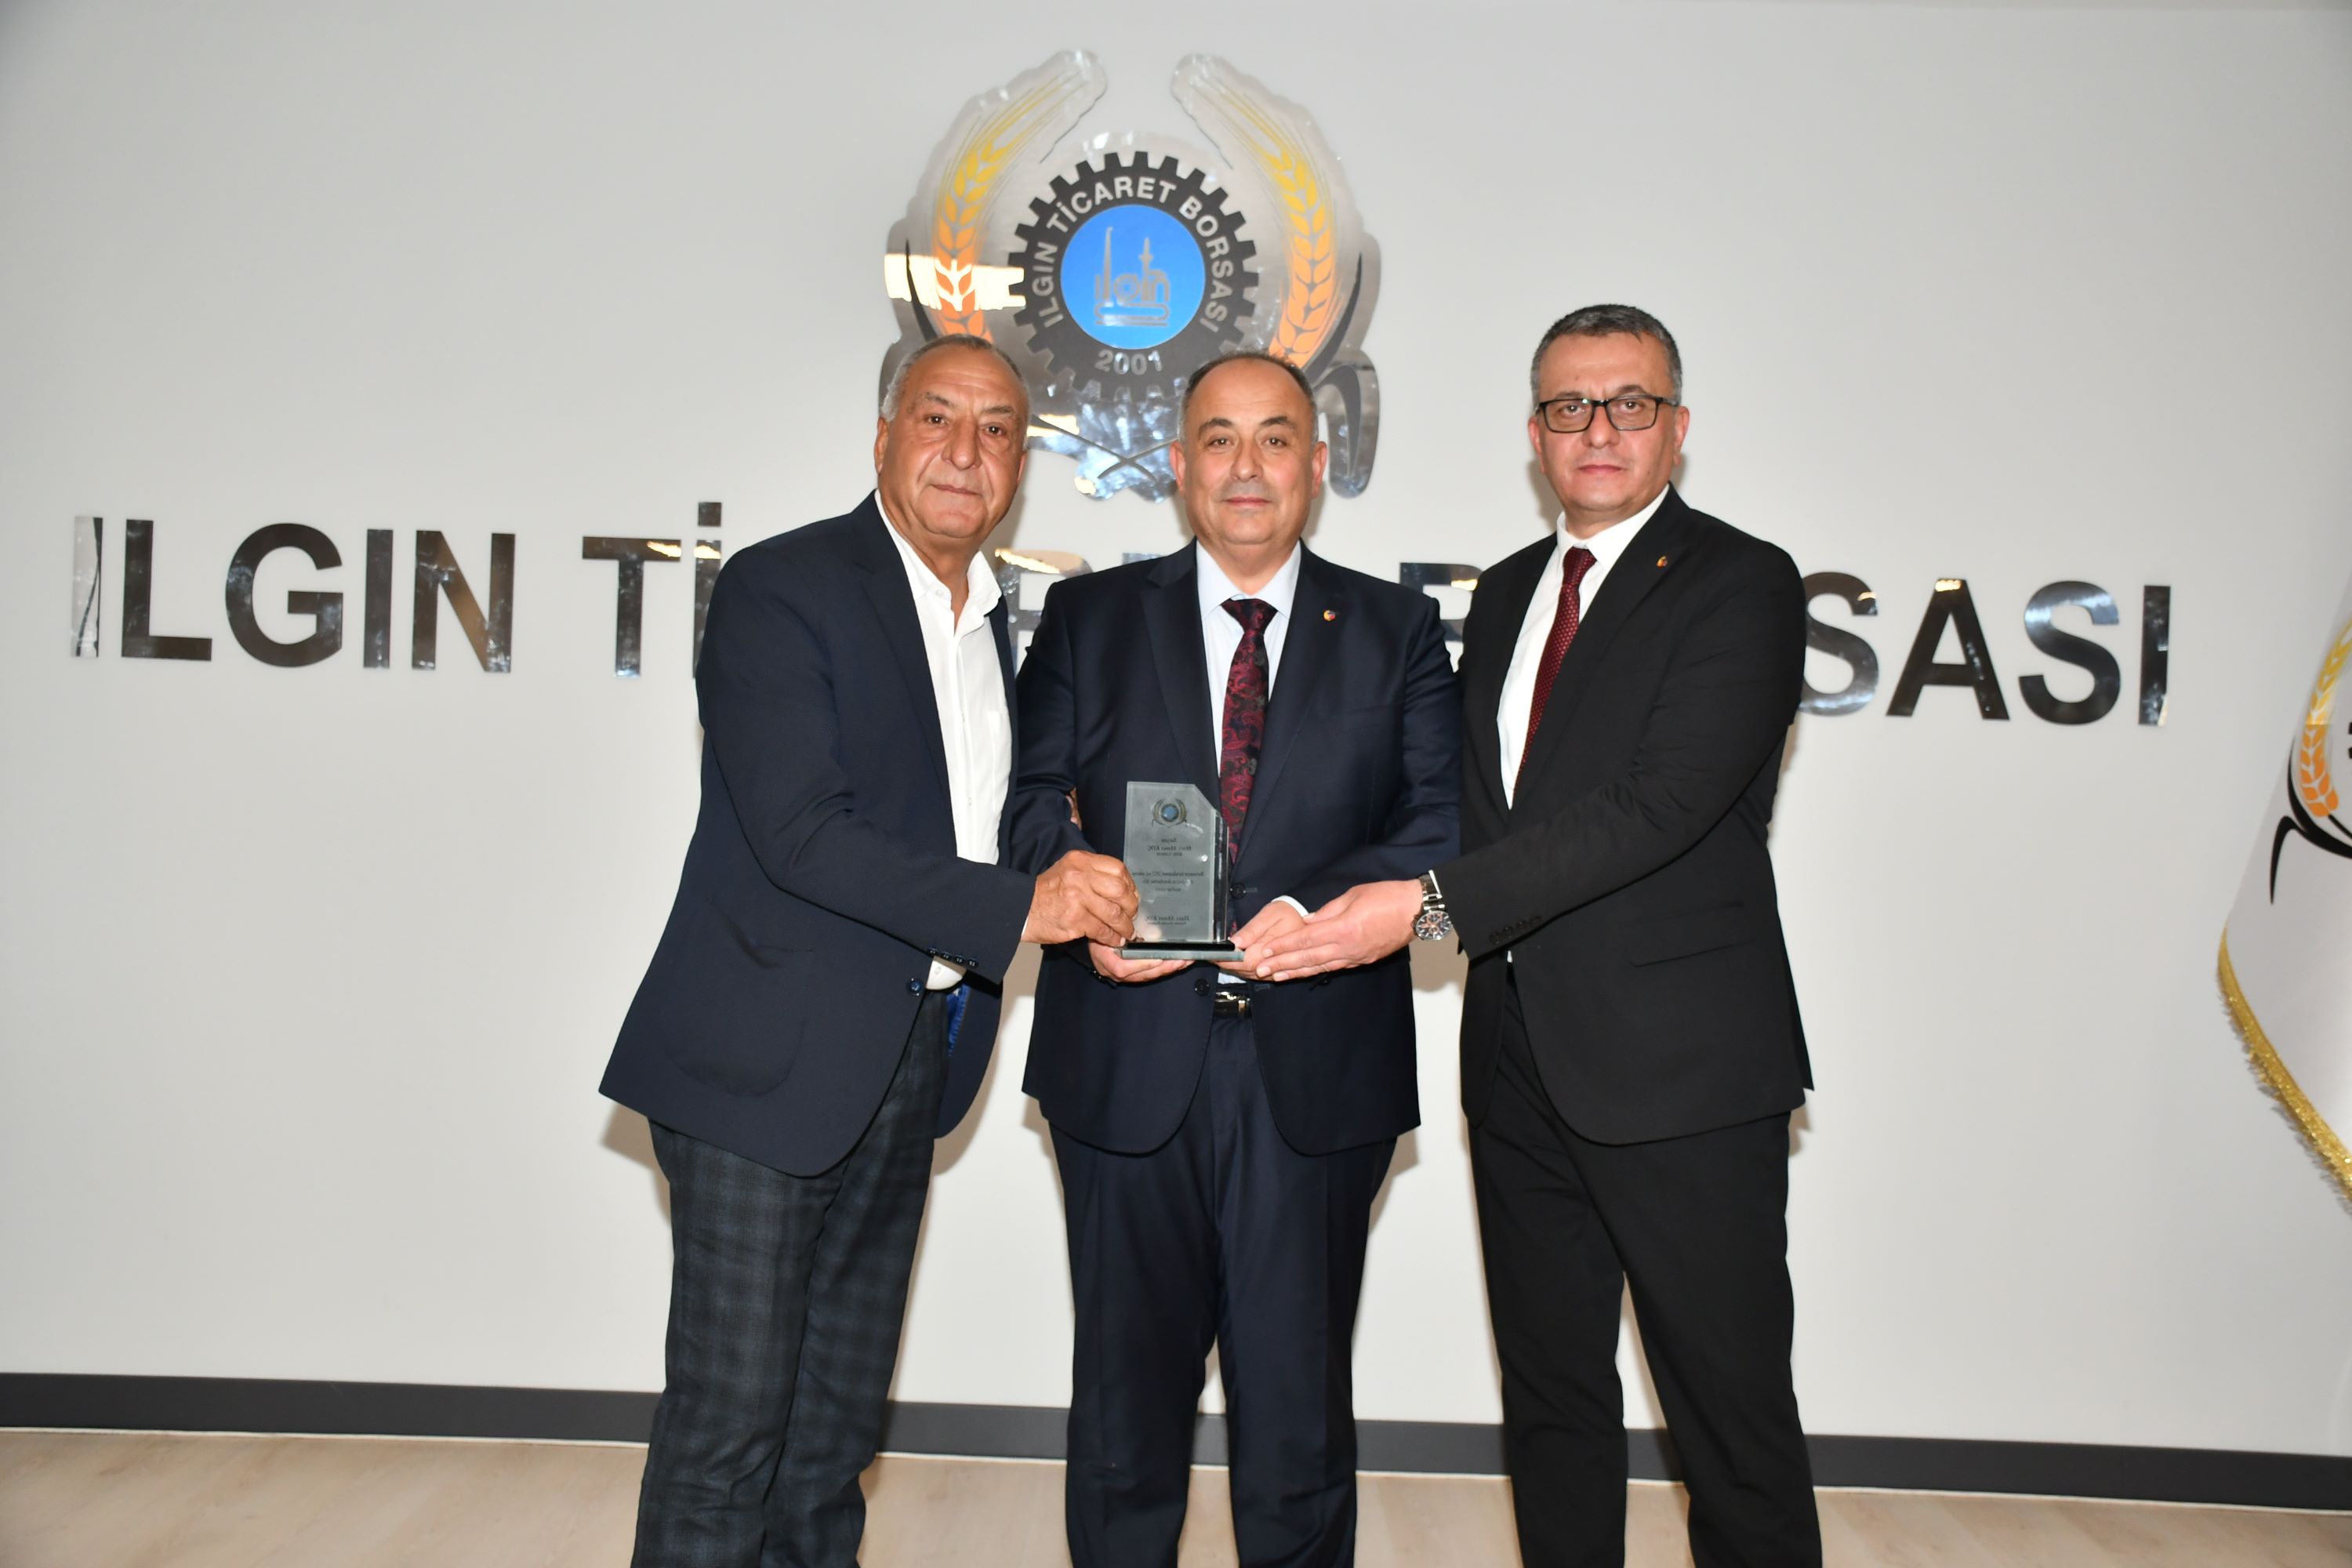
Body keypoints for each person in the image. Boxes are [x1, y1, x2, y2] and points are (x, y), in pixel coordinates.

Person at [1249, 305, 1820, 1566]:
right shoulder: (1508, 594)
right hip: (1516, 1068)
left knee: (1730, 1422)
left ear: (1678, 426)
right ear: (1534, 433)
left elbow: (1658, 807)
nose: (1598, 429)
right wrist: (1292, 884)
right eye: (1570, 406)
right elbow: (1461, 809)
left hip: (1683, 1077)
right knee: (1554, 1406)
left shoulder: (1743, 582)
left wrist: (1424, 908)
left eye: (1630, 403)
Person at [599, 333, 1138, 1568]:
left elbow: (986, 817)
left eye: (997, 430)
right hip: (765, 1067)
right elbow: (804, 834)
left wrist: (1088, 873)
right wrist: (1025, 910)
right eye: (938, 418)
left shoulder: (989, 618)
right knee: (731, 1433)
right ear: (884, 435)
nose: (965, 451)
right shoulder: (784, 586)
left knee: (832, 1439)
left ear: (1021, 466)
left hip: (909, 1059)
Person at [1011, 351, 1461, 1566]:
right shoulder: (1091, 618)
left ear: (1318, 464)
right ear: (1178, 464)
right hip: (1125, 1054)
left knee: (1298, 1414)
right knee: (1123, 1412)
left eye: (1274, 439)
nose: (1245, 466)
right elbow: (1030, 807)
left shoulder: (1398, 630)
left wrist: (1309, 908)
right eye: (1218, 438)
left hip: (1318, 1069)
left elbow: (1441, 827)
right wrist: (1090, 896)